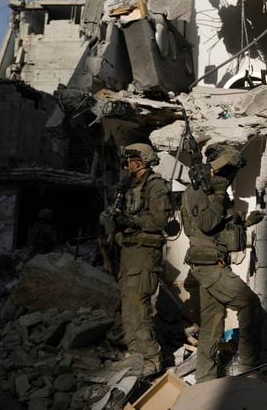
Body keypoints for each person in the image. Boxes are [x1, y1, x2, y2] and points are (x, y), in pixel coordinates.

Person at [181, 144, 264, 382]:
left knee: (213, 323)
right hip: (208, 265)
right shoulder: (199, 190)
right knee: (249, 304)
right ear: (217, 169)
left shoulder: (213, 190)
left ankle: (205, 379)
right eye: (228, 171)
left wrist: (246, 223)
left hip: (213, 263)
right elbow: (206, 223)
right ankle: (249, 369)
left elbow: (219, 228)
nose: (230, 177)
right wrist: (218, 195)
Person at [109, 143, 171, 377]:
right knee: (128, 305)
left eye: (130, 160)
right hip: (129, 252)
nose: (127, 165)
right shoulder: (129, 186)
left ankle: (152, 358)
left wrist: (130, 222)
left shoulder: (155, 186)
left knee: (139, 305)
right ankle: (136, 354)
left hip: (144, 253)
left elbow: (159, 221)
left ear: (140, 161)